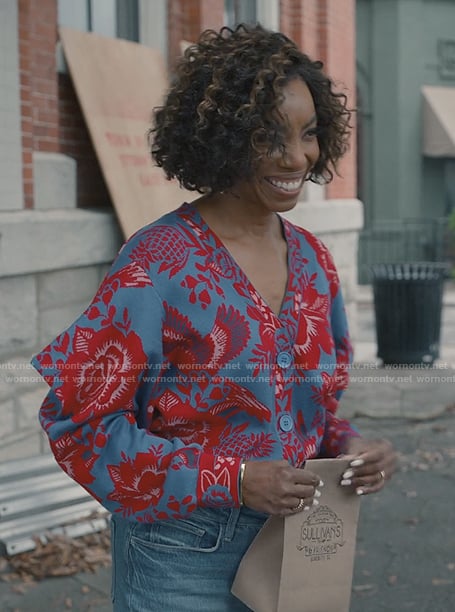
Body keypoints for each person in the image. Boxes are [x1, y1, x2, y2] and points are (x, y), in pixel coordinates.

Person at [32, 23, 396, 611]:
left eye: (308, 135)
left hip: (292, 548)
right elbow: (81, 425)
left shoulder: (314, 262)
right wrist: (232, 479)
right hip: (179, 555)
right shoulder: (157, 266)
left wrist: (350, 449)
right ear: (222, 139)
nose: (296, 157)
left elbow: (308, 409)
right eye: (268, 136)